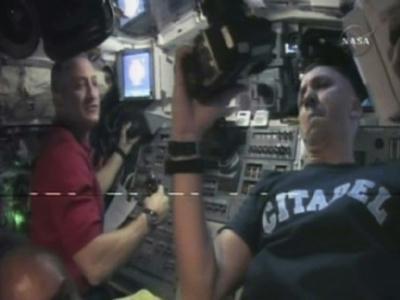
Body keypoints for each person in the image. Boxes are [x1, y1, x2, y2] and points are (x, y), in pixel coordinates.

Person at [169, 47, 400, 299]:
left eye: (322, 85)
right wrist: (185, 136)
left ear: (355, 107)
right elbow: (200, 292)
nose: (308, 97)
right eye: (302, 94)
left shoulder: (389, 177)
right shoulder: (272, 186)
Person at [30, 55, 169, 296]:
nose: (92, 94)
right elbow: (95, 267)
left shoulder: (65, 146)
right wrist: (151, 216)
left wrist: (121, 152)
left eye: (94, 83)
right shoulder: (64, 158)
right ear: (59, 99)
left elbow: (90, 188)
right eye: (79, 85)